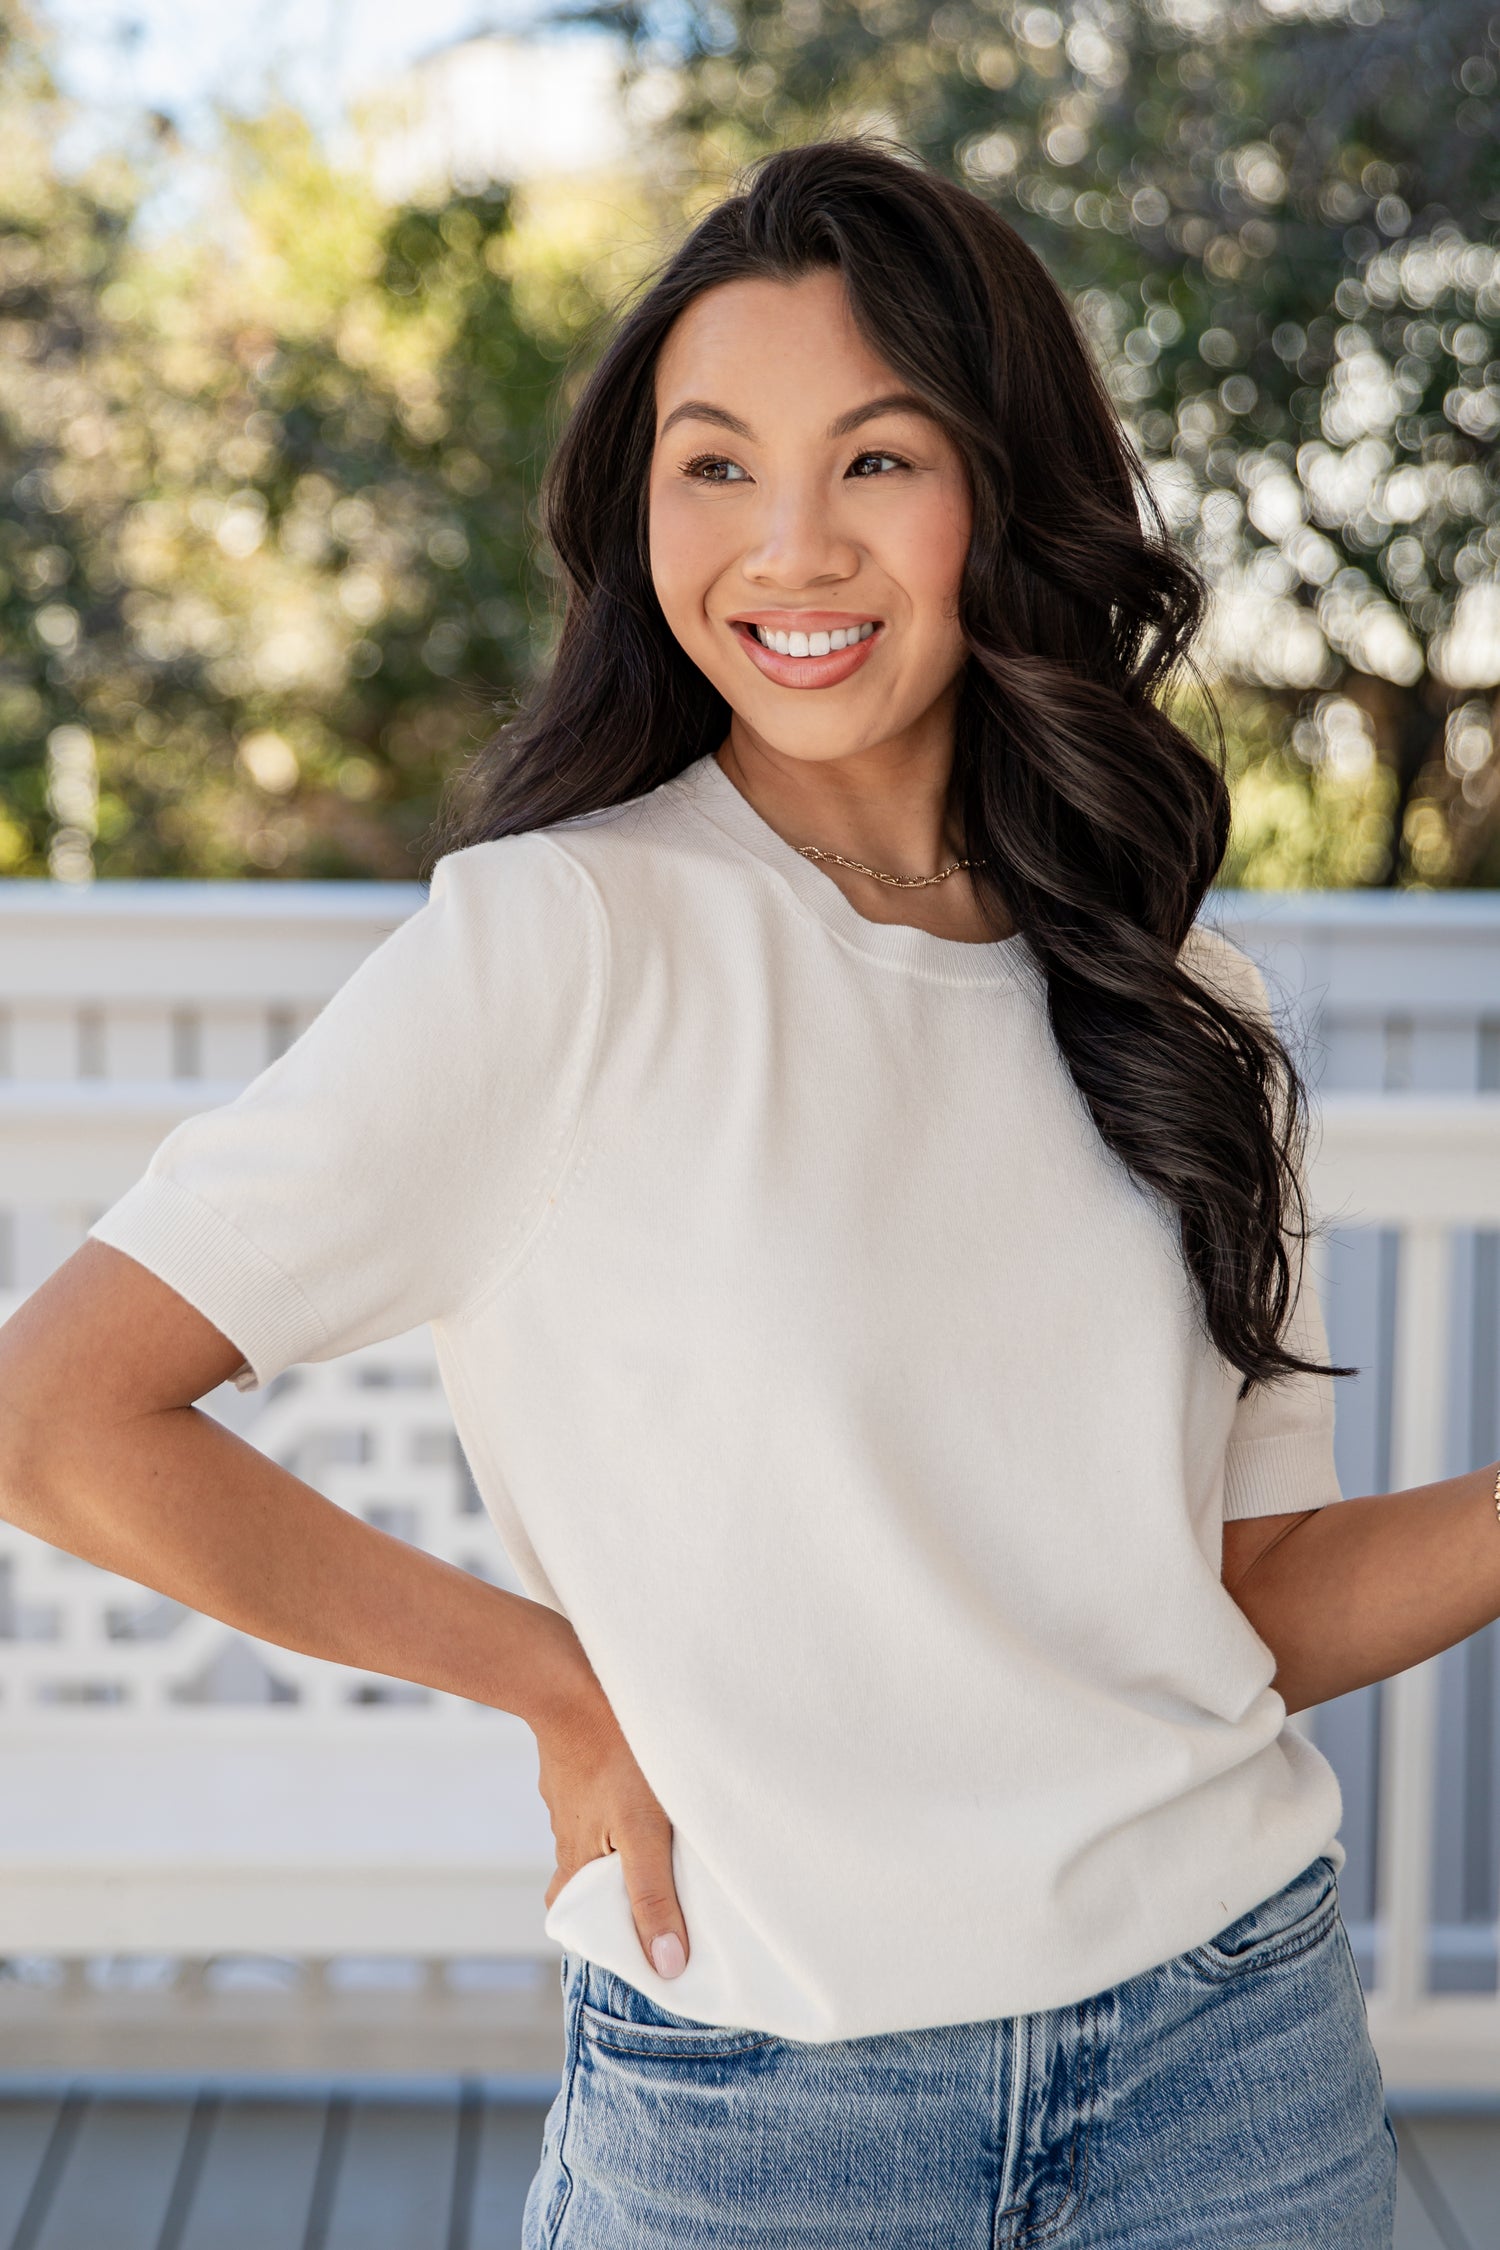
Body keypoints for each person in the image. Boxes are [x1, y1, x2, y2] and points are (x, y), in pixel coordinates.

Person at [3, 137, 1497, 2249]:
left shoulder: (1185, 997)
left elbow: (1229, 1605)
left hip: (1233, 2063)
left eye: (877, 460)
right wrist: (550, 1676)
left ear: (1004, 495)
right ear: (641, 511)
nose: (788, 546)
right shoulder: (563, 943)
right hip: (762, 2120)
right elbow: (55, 1416)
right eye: (716, 467)